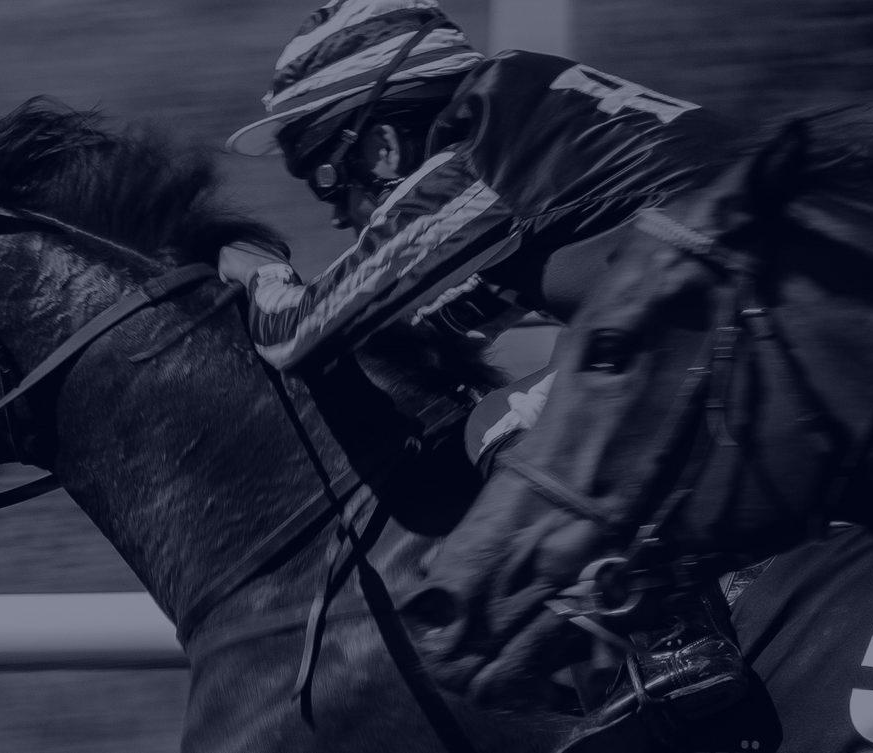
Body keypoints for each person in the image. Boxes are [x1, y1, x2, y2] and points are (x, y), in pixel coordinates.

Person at [216, 0, 750, 725]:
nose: (337, 214)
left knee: (502, 421)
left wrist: (261, 272)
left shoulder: (479, 158)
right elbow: (466, 300)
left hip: (753, 323)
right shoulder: (532, 110)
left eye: (324, 175)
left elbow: (297, 335)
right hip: (770, 292)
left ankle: (677, 636)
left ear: (381, 146)